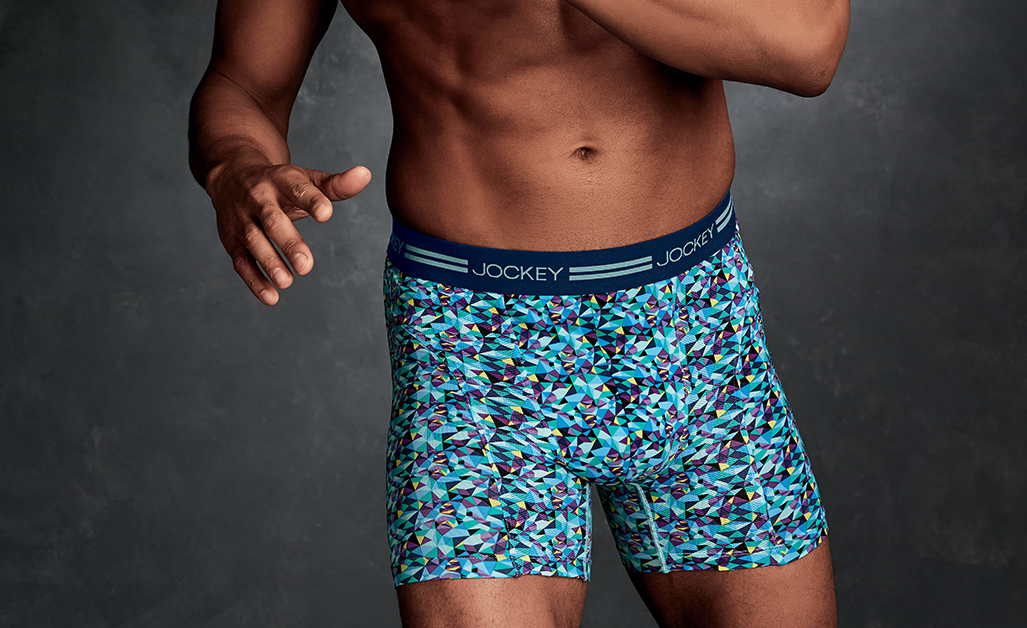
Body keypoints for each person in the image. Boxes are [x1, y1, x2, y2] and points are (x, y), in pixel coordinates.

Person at [187, 0, 850, 626]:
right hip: (476, 350)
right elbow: (243, 84)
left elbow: (808, 44)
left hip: (697, 332)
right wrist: (234, 165)